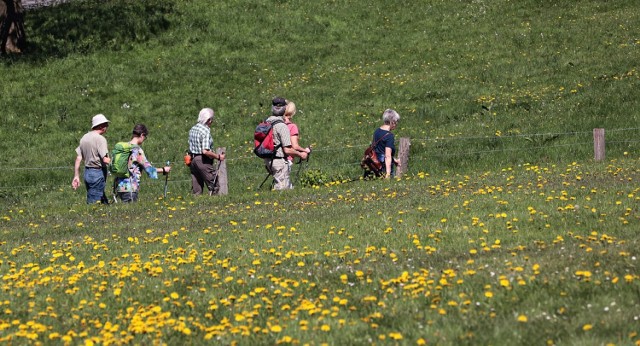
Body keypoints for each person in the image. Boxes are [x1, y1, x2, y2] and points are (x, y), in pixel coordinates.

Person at [113, 124, 171, 203]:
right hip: (131, 188)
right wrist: (164, 169)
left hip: (120, 186)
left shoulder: (124, 147)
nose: (144, 140)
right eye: (145, 137)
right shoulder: (137, 150)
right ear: (142, 135)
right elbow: (149, 169)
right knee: (131, 213)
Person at [263, 97, 308, 190]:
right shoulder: (282, 126)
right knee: (282, 191)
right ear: (284, 109)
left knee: (282, 186)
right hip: (279, 161)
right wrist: (301, 154)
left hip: (268, 159)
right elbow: (288, 149)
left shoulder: (267, 122)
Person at [72, 114, 111, 204]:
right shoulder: (100, 139)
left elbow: (78, 158)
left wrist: (76, 176)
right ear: (101, 126)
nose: (107, 127)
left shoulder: (84, 137)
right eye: (106, 124)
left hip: (87, 172)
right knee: (94, 202)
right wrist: (116, 165)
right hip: (97, 172)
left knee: (98, 197)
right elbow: (105, 159)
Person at [188, 108, 225, 195]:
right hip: (202, 160)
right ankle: (215, 204)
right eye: (212, 119)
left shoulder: (193, 128)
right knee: (214, 185)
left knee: (197, 189)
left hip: (192, 160)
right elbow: (205, 151)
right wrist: (218, 157)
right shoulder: (205, 131)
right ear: (208, 120)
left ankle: (197, 205)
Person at [283, 100, 311, 188]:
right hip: (287, 158)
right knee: (284, 185)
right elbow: (295, 146)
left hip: (273, 159)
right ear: (293, 112)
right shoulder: (292, 126)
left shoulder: (277, 124)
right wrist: (305, 150)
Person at [372, 109, 401, 179]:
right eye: (396, 122)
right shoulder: (389, 136)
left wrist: (394, 160)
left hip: (375, 165)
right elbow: (387, 156)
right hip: (384, 167)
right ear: (392, 122)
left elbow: (380, 150)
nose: (396, 124)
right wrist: (388, 174)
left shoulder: (377, 131)